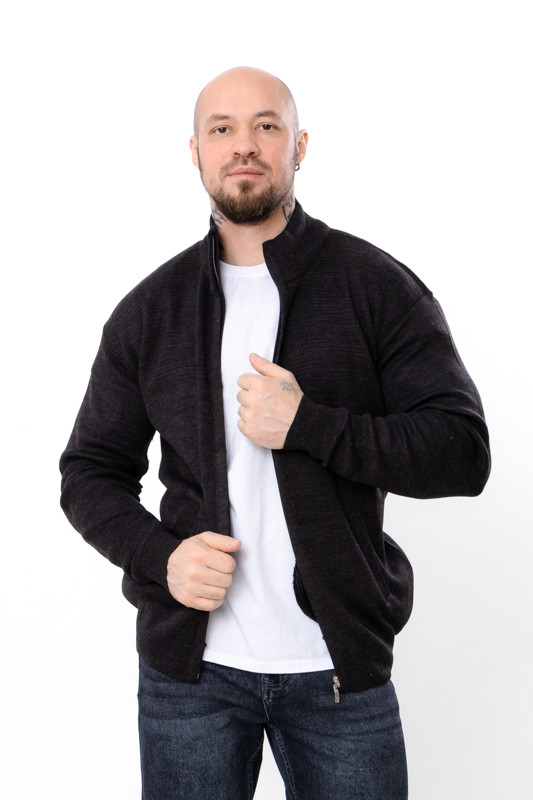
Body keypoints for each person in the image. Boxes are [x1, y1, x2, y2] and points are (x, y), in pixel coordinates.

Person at [59, 66, 490, 800]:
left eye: (265, 126)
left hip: (337, 672)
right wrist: (162, 558)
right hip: (190, 675)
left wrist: (308, 425)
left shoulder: (374, 286)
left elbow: (462, 453)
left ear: (300, 145)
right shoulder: (151, 310)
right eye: (221, 129)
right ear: (195, 151)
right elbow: (89, 473)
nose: (243, 145)